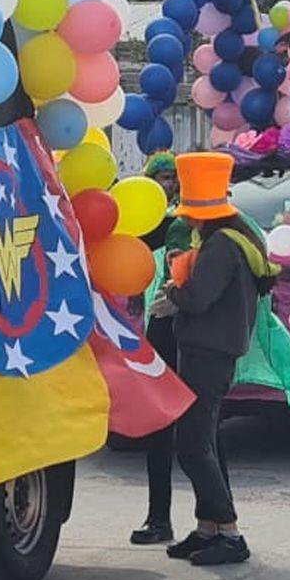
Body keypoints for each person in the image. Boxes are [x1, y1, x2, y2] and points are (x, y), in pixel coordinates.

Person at [149, 152, 277, 566]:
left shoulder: (222, 246)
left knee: (193, 445)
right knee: (198, 440)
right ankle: (208, 528)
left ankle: (230, 532)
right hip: (209, 349)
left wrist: (173, 293)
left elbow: (199, 298)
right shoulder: (230, 239)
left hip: (208, 352)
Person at [129, 152, 184, 546]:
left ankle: (217, 523)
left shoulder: (193, 224)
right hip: (157, 334)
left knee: (202, 441)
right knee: (160, 433)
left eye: (172, 177)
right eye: (161, 177)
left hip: (195, 339)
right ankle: (159, 519)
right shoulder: (146, 222)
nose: (168, 183)